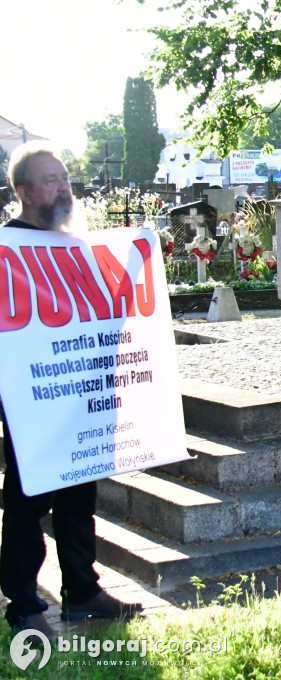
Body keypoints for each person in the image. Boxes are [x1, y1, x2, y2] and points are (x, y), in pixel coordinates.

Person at [1, 144, 143, 641]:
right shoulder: (6, 250)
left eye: (65, 177)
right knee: (27, 502)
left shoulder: (77, 244)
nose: (64, 188)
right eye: (51, 180)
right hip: (32, 403)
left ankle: (82, 591)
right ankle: (23, 602)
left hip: (81, 393)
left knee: (79, 495)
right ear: (23, 192)